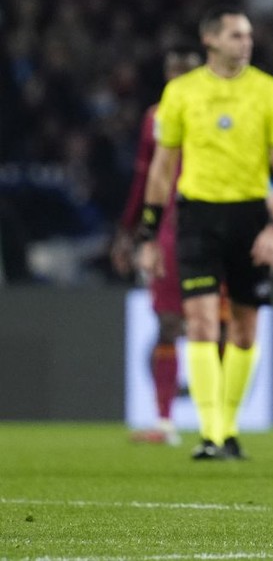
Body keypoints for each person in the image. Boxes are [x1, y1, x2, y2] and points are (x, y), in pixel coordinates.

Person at [138, 3, 273, 460]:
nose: (245, 43)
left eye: (247, 35)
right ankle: (212, 433)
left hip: (251, 218)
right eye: (235, 35)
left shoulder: (269, 92)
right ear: (209, 39)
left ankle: (226, 427)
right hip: (197, 216)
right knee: (201, 322)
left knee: (245, 331)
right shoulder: (181, 92)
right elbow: (161, 169)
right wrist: (149, 235)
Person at [110, 45, 202, 446]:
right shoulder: (156, 117)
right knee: (168, 323)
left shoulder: (217, 115)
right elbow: (145, 178)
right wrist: (130, 231)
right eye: (174, 73)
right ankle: (165, 422)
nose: (180, 81)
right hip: (168, 230)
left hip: (211, 224)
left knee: (217, 325)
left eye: (188, 73)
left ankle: (219, 423)